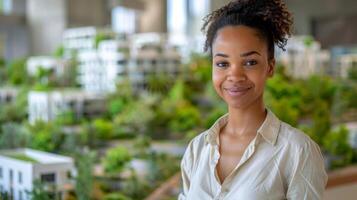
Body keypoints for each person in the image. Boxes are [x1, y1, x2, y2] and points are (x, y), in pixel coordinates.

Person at [178, 0, 328, 199]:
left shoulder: (297, 151)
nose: (235, 76)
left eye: (250, 62)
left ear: (270, 67)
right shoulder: (197, 150)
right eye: (222, 63)